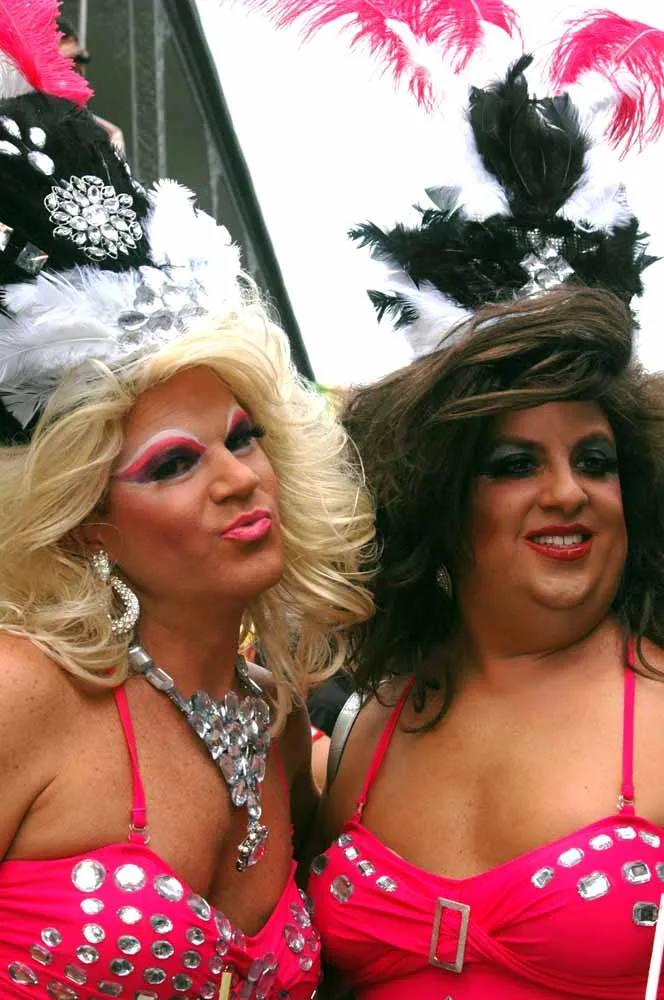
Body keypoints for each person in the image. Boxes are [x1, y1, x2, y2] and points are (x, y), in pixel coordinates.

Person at [272, 7, 664, 998]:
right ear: (437, 493)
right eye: (512, 463)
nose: (567, 492)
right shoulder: (368, 722)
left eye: (594, 459)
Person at [0, 4, 375, 998]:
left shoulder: (275, 714)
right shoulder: (22, 692)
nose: (238, 476)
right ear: (86, 520)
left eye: (244, 436)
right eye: (172, 464)